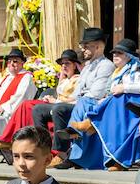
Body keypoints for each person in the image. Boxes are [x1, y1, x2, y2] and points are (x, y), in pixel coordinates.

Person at [67, 37, 140, 171]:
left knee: (107, 102)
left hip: (130, 108)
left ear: (128, 56)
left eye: (120, 53)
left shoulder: (134, 71)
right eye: (114, 53)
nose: (115, 56)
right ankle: (84, 130)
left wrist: (123, 88)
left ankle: (90, 125)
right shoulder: (118, 72)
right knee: (84, 101)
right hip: (117, 105)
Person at [33, 28, 114, 162]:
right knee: (39, 109)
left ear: (98, 47)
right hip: (79, 103)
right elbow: (77, 94)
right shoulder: (87, 67)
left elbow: (95, 94)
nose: (83, 49)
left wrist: (61, 103)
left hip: (92, 105)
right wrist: (60, 100)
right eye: (83, 46)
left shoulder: (106, 65)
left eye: (87, 46)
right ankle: (44, 149)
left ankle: (62, 153)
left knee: (59, 109)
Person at [0, 49, 82, 147]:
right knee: (27, 105)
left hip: (63, 106)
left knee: (28, 105)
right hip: (55, 103)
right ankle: (14, 138)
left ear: (75, 65)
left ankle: (21, 139)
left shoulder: (78, 79)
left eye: (67, 63)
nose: (63, 66)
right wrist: (51, 96)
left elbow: (75, 99)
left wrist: (56, 101)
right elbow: (59, 93)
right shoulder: (65, 80)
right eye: (62, 64)